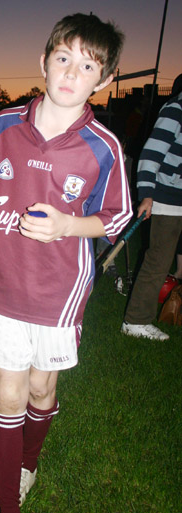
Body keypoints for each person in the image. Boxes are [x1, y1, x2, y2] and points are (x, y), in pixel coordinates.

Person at [0, 13, 131, 513]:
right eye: (63, 58)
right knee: (8, 394)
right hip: (0, 284)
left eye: (87, 65)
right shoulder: (2, 126)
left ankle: (27, 464)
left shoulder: (102, 146)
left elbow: (114, 219)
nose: (71, 72)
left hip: (58, 292)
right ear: (43, 61)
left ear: (104, 79)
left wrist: (69, 225)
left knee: (42, 393)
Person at [121, 74, 182, 341]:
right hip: (166, 198)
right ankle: (135, 321)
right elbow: (150, 154)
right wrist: (146, 194)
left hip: (178, 196)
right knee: (158, 260)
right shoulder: (176, 110)